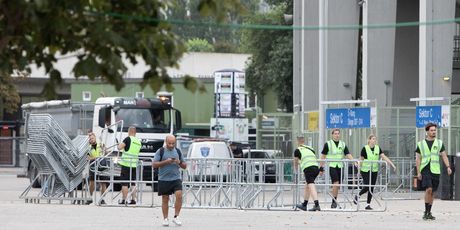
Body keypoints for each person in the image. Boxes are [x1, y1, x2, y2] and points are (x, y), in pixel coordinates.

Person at [415, 123, 452, 220]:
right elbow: (418, 159)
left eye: (434, 130)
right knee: (429, 189)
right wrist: (418, 172)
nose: (433, 132)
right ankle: (426, 211)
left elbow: (444, 155)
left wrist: (448, 166)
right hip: (425, 169)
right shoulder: (421, 144)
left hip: (435, 170)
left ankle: (429, 212)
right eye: (431, 130)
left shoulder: (439, 143)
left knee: (432, 193)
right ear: (427, 132)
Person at [152, 135, 187, 227]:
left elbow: (184, 166)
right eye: (169, 143)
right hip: (164, 179)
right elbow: (154, 164)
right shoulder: (160, 151)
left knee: (179, 195)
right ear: (166, 142)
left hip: (176, 178)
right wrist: (166, 162)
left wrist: (179, 162)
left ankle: (176, 216)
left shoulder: (178, 151)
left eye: (173, 143)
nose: (171, 145)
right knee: (165, 199)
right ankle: (165, 218)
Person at [355, 134, 396, 210]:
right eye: (373, 139)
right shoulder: (365, 148)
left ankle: (368, 204)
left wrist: (392, 164)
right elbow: (361, 160)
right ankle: (358, 195)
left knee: (372, 187)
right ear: (369, 140)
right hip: (365, 170)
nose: (374, 141)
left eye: (375, 139)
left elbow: (384, 157)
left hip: (374, 170)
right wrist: (358, 170)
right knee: (367, 186)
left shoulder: (377, 148)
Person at [320, 128, 355, 209]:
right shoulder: (328, 144)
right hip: (331, 165)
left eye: (338, 134)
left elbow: (348, 154)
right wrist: (321, 167)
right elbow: (323, 156)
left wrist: (354, 162)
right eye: (335, 134)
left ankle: (334, 200)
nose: (337, 135)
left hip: (340, 166)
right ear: (332, 135)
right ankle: (334, 202)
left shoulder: (342, 144)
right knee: (335, 183)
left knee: (338, 185)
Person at [294, 136, 321, 211]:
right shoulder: (310, 149)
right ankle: (304, 204)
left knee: (311, 185)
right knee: (307, 185)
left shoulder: (297, 150)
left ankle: (317, 204)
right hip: (316, 168)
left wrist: (295, 171)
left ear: (297, 142)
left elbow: (296, 162)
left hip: (308, 168)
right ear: (304, 141)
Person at [117, 126, 141, 205]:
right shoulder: (138, 141)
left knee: (124, 183)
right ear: (135, 132)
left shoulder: (127, 139)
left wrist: (119, 144)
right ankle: (133, 200)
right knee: (133, 183)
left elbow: (119, 147)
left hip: (126, 164)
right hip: (134, 165)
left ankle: (124, 200)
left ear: (129, 131)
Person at [86, 132, 108, 205]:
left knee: (103, 183)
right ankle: (90, 197)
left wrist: (105, 150)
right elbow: (88, 158)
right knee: (92, 182)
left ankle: (102, 199)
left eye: (92, 138)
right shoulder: (88, 147)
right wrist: (95, 158)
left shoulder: (100, 144)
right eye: (90, 139)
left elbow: (106, 152)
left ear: (95, 137)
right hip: (93, 165)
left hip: (102, 164)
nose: (91, 140)